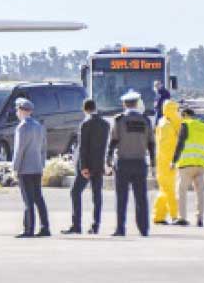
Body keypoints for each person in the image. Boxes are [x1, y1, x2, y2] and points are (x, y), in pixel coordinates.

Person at [107, 90, 156, 237]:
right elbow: (151, 144)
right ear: (137, 103)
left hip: (123, 163)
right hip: (140, 163)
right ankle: (144, 229)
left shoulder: (119, 120)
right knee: (141, 197)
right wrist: (153, 164)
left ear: (124, 104)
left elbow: (113, 141)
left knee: (121, 198)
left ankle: (120, 229)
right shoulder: (146, 120)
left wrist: (108, 160)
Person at [61, 99, 110, 235]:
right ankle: (96, 225)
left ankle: (76, 225)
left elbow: (83, 147)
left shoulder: (85, 124)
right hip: (98, 165)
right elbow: (104, 146)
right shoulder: (105, 124)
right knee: (97, 196)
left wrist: (83, 167)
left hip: (86, 165)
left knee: (75, 192)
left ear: (85, 109)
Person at [12, 98, 50, 238]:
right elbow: (44, 148)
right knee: (38, 198)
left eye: (17, 110)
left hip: (25, 168)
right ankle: (45, 227)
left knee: (28, 200)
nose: (17, 112)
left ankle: (29, 229)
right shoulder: (39, 126)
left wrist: (15, 168)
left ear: (21, 110)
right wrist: (42, 164)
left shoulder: (22, 127)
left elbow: (19, 150)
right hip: (37, 167)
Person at [171, 108, 204, 227]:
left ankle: (182, 217)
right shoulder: (202, 126)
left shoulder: (185, 125)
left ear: (185, 115)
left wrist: (174, 160)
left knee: (181, 191)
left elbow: (180, 143)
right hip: (201, 165)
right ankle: (200, 218)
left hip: (186, 164)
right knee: (200, 192)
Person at [153, 100, 182, 225]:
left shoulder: (166, 123)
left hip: (165, 163)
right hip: (167, 164)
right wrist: (173, 162)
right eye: (176, 110)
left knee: (165, 191)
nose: (178, 113)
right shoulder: (167, 126)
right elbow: (168, 148)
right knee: (170, 190)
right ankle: (175, 216)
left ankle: (159, 216)